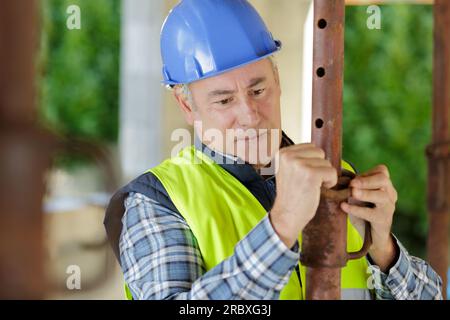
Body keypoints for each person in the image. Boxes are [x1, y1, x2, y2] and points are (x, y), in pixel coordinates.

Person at [104, 0, 442, 300]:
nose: (250, 115)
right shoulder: (156, 202)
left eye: (258, 89)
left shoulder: (335, 175)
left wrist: (384, 251)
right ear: (187, 105)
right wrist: (282, 226)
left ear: (277, 80)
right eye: (224, 100)